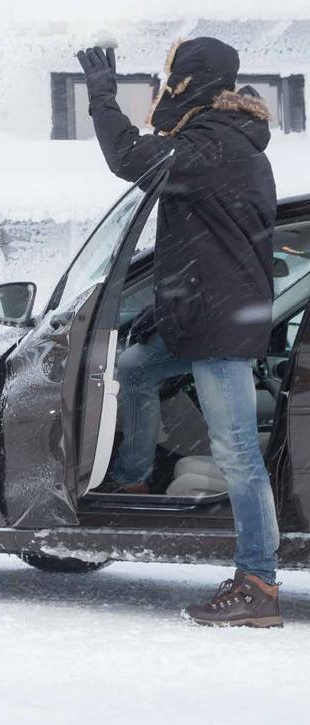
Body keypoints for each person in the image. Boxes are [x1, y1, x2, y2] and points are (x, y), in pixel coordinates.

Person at [77, 38, 281, 627]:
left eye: (172, 78)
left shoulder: (214, 144)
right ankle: (135, 479)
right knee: (137, 369)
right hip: (200, 313)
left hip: (220, 324)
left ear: (192, 81)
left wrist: (101, 95)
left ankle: (259, 584)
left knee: (238, 453)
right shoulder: (217, 141)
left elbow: (129, 158)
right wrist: (163, 308)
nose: (165, 88)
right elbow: (198, 241)